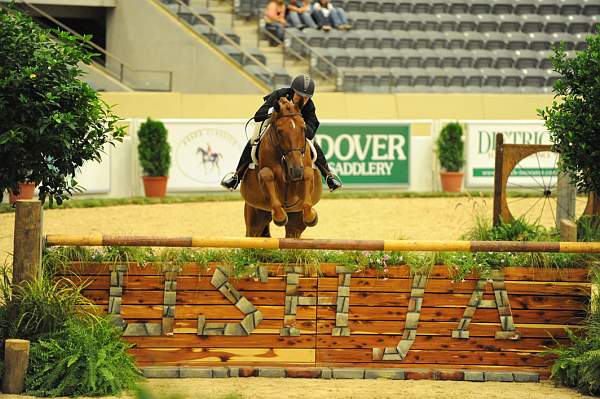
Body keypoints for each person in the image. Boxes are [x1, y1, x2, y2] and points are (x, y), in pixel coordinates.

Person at [221, 74, 343, 192]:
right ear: (292, 91)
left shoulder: (309, 106)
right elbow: (258, 116)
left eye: (307, 97)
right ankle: (237, 176)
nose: (303, 100)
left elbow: (311, 132)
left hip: (296, 126)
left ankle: (328, 175)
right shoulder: (280, 94)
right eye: (300, 95)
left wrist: (300, 125)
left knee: (313, 143)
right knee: (254, 138)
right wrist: (275, 110)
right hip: (274, 122)